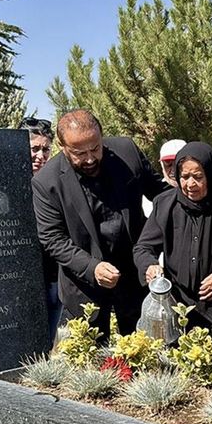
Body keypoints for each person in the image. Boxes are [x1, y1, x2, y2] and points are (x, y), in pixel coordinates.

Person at [32, 109, 168, 338]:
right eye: (79, 153)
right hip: (84, 285)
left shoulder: (127, 151)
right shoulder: (46, 182)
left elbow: (162, 196)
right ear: (61, 145)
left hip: (134, 275)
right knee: (90, 361)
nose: (90, 158)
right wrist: (91, 267)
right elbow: (52, 239)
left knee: (145, 351)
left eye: (95, 148)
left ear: (101, 136)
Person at [133, 142, 212, 347]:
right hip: (178, 308)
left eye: (198, 177)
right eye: (184, 177)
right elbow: (143, 248)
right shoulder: (165, 204)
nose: (190, 184)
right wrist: (150, 265)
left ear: (210, 174)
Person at [20, 117, 62, 346]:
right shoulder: (6, 184)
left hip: (52, 275)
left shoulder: (54, 183)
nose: (40, 156)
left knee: (46, 341)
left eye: (46, 149)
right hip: (21, 279)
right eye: (34, 149)